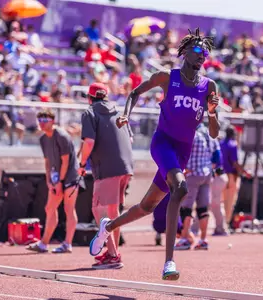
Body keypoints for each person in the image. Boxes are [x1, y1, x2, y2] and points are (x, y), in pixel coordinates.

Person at [88, 28, 220, 281]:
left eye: (205, 52)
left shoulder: (208, 86)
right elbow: (135, 92)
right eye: (197, 50)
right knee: (180, 189)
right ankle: (169, 261)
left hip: (183, 152)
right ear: (184, 53)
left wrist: (212, 113)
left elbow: (214, 133)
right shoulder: (167, 77)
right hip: (163, 143)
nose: (202, 55)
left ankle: (109, 226)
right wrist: (126, 115)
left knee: (148, 206)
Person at [78, 83, 133, 269]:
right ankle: (113, 252)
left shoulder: (89, 112)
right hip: (126, 167)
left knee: (98, 209)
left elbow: (89, 142)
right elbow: (130, 138)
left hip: (107, 169)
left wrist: (81, 163)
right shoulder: (118, 110)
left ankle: (113, 255)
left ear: (89, 97)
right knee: (112, 212)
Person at [26, 109, 80, 253]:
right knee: (49, 208)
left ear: (52, 121)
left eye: (45, 120)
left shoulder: (61, 136)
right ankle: (44, 243)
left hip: (70, 177)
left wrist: (60, 182)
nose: (42, 124)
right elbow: (48, 162)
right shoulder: (43, 139)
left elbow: (66, 161)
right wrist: (49, 180)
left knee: (69, 208)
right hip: (57, 178)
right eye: (40, 121)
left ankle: (67, 243)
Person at [175, 123, 217, 250]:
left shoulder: (191, 134)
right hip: (206, 174)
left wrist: (186, 170)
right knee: (203, 208)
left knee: (186, 207)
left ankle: (184, 238)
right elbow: (217, 156)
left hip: (193, 173)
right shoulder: (210, 134)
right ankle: (203, 239)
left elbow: (184, 155)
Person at [221, 126, 252, 228]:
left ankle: (220, 223)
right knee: (229, 202)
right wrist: (244, 172)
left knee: (220, 201)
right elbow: (234, 163)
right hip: (231, 176)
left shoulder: (220, 143)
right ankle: (225, 224)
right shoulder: (233, 145)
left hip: (219, 175)